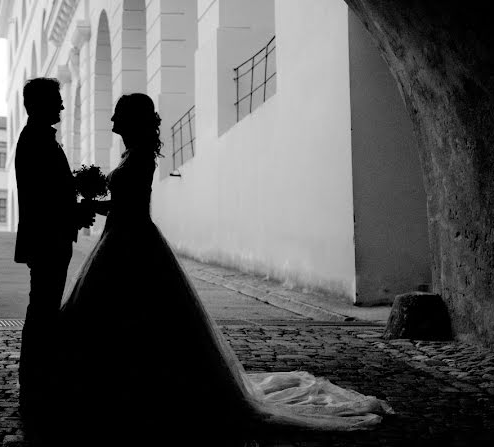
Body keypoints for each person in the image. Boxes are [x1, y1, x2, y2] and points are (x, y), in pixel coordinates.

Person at [52, 93, 394, 445]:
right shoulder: (132, 155)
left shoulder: (140, 158)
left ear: (132, 120)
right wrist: (96, 203)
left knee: (135, 318)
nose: (112, 122)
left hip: (130, 243)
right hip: (122, 240)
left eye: (118, 116)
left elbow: (131, 207)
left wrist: (93, 203)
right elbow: (123, 204)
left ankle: (133, 392)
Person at [13, 77, 95, 440]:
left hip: (49, 239)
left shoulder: (38, 137)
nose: (62, 107)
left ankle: (38, 386)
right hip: (48, 240)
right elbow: (46, 200)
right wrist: (77, 213)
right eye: (57, 101)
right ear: (41, 103)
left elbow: (53, 193)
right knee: (43, 313)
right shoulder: (37, 140)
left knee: (43, 311)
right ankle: (35, 389)